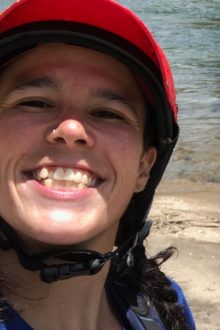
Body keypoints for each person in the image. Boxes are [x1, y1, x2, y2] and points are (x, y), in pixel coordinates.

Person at [0, 0, 195, 328]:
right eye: (35, 102)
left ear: (144, 168)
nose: (71, 130)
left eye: (108, 113)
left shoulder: (163, 308)